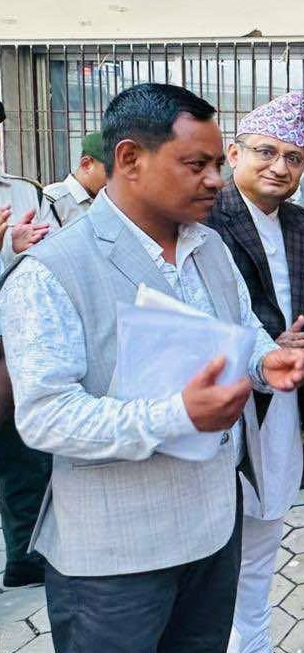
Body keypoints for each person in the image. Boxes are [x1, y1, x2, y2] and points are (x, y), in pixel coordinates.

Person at [0, 82, 304, 652]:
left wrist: (267, 361)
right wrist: (178, 415)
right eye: (196, 164)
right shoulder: (51, 270)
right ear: (129, 159)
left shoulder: (208, 246)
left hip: (213, 533)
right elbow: (45, 417)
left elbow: (241, 329)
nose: (215, 180)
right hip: (115, 559)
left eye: (217, 165)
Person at [206, 92, 304, 653]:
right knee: (216, 540)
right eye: (266, 152)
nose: (280, 166)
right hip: (217, 401)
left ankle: (252, 640)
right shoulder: (204, 216)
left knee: (267, 525)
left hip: (283, 403)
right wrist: (264, 350)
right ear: (234, 153)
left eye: (294, 157)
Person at [0, 99, 47, 589]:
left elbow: (47, 258)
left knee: (23, 452)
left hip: (10, 341)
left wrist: (19, 250)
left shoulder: (22, 191)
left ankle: (25, 557)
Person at [38, 131, 108, 228]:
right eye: (110, 172)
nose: (116, 180)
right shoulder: (51, 200)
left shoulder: (109, 201)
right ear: (86, 164)